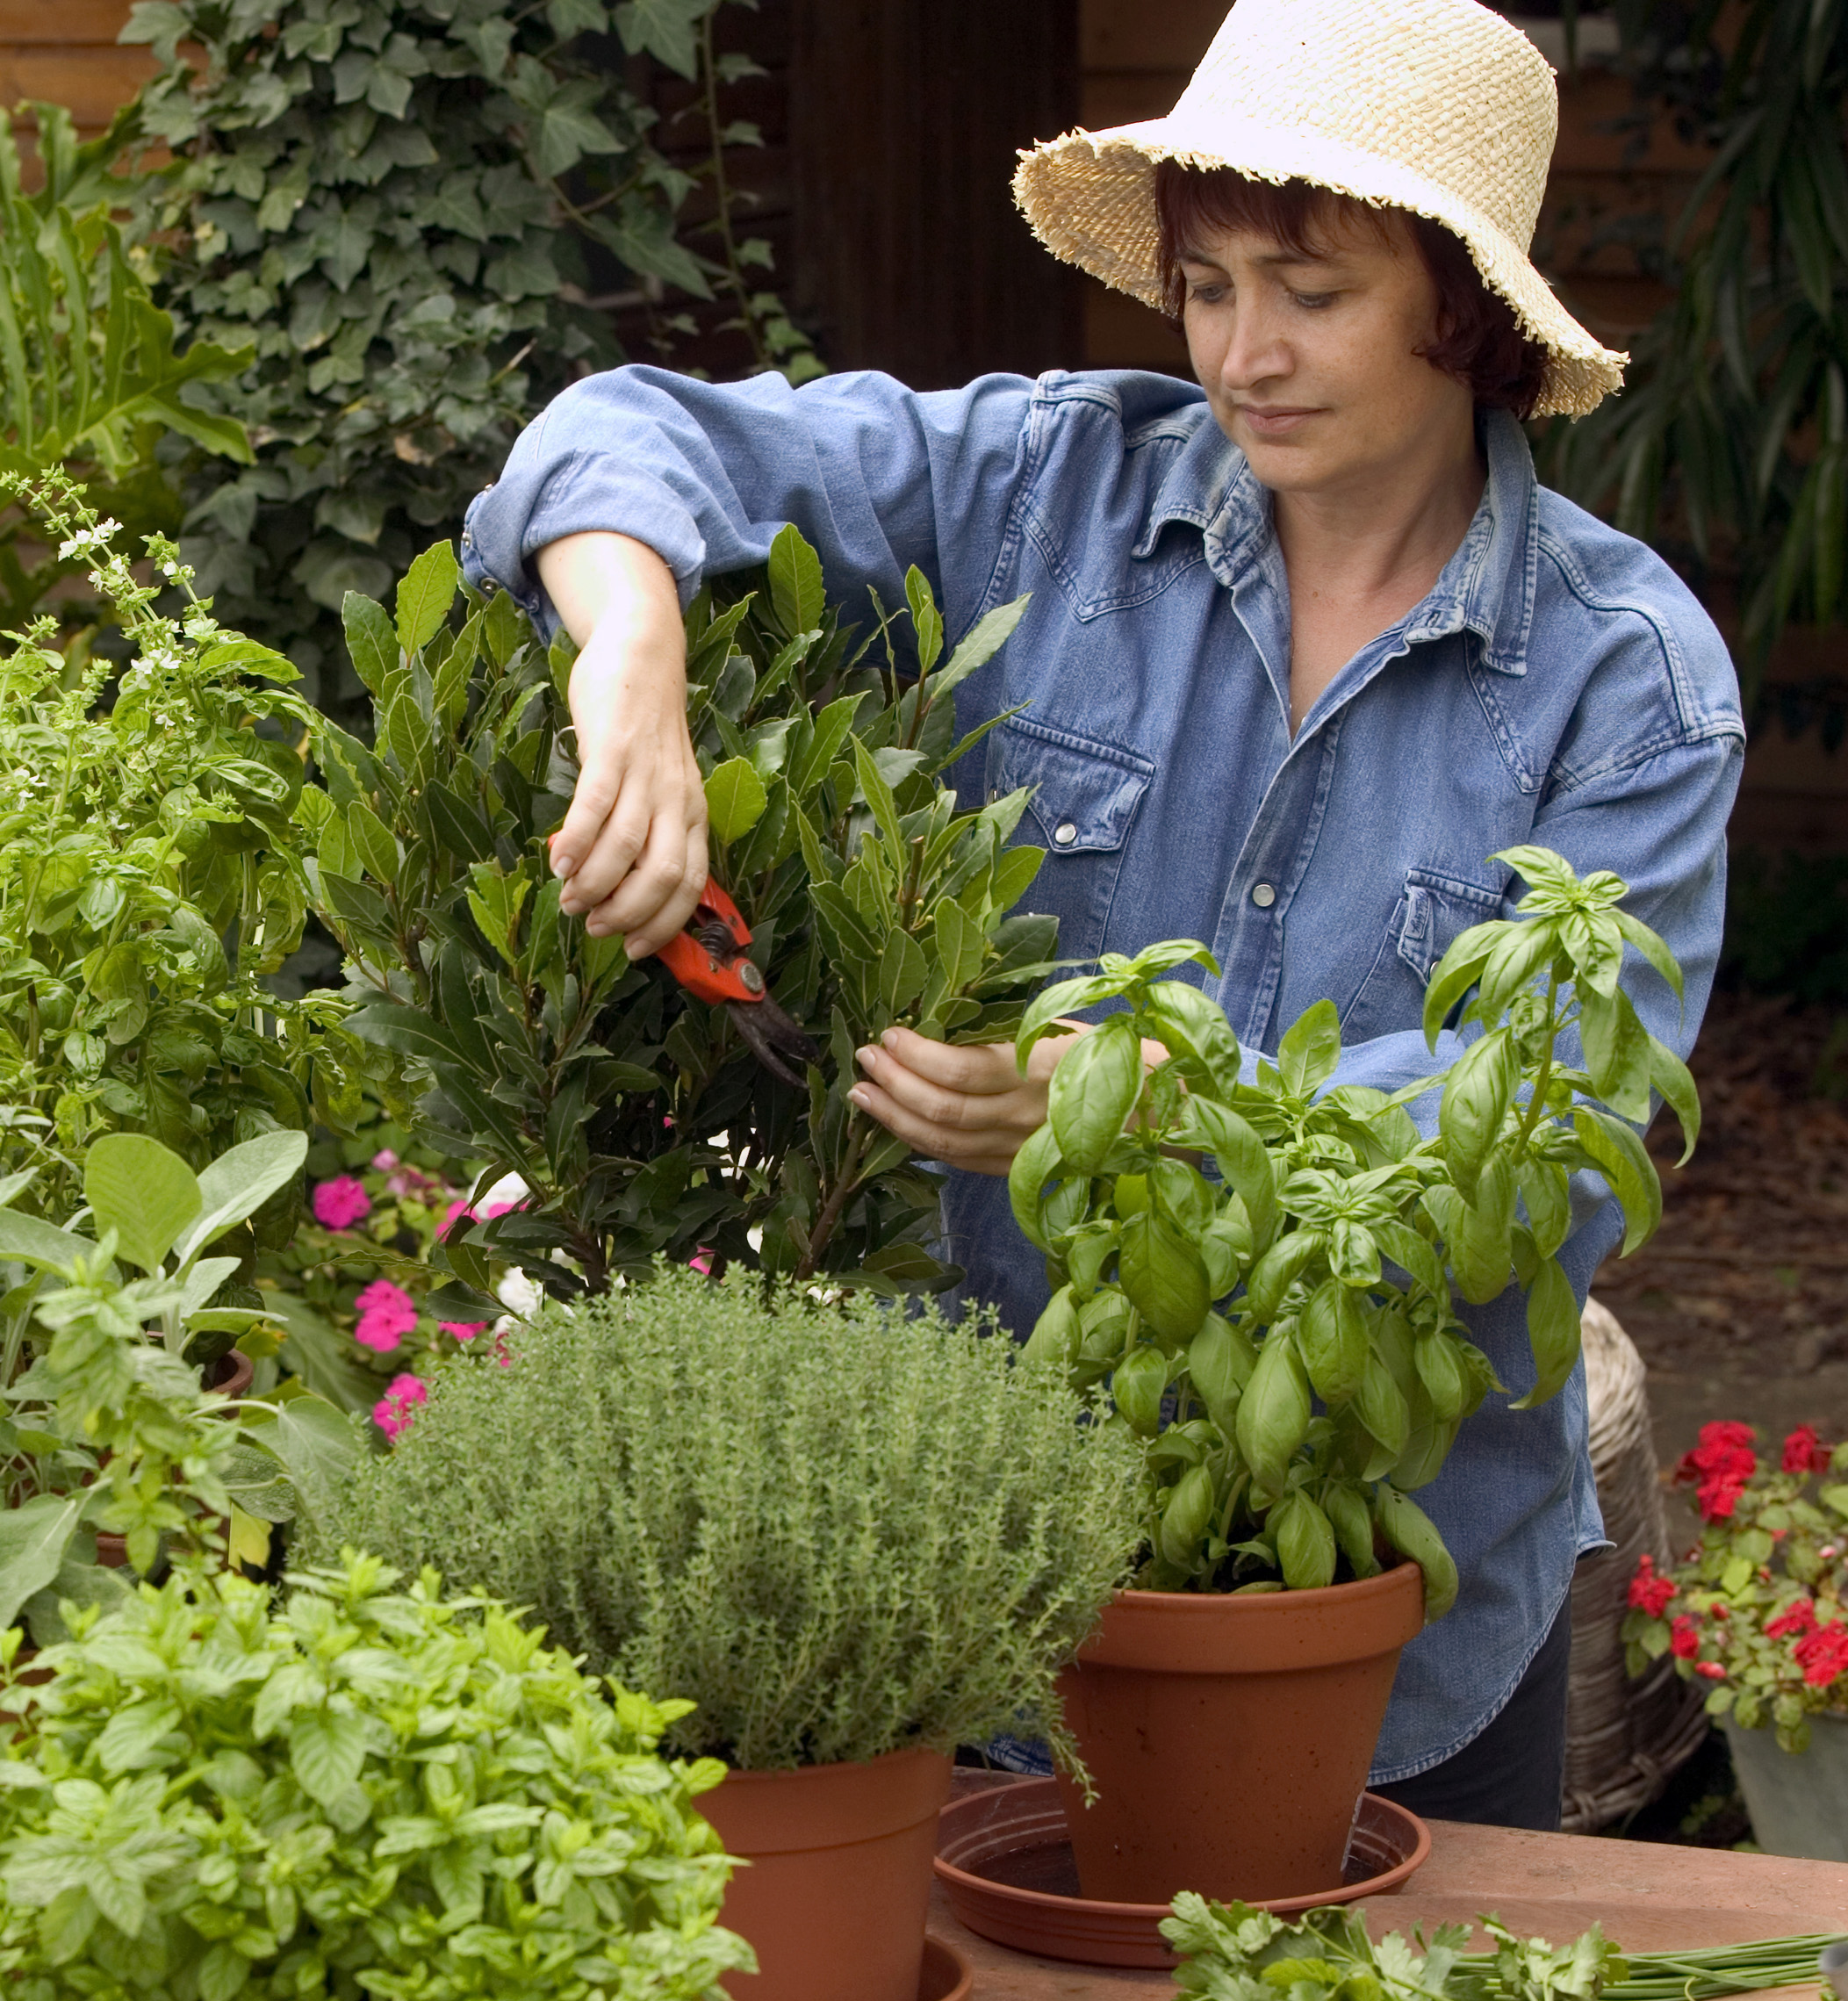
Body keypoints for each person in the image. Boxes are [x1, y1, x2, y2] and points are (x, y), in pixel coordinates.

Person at [457, 0, 1741, 1830]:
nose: (1242, 351)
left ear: (1461, 309)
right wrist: (637, 659)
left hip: (1398, 1604)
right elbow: (627, 431)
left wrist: (1147, 1107)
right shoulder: (1047, 490)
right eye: (1208, 285)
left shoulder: (1629, 685)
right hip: (984, 1583)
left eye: (1308, 288)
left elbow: (1563, 1150)